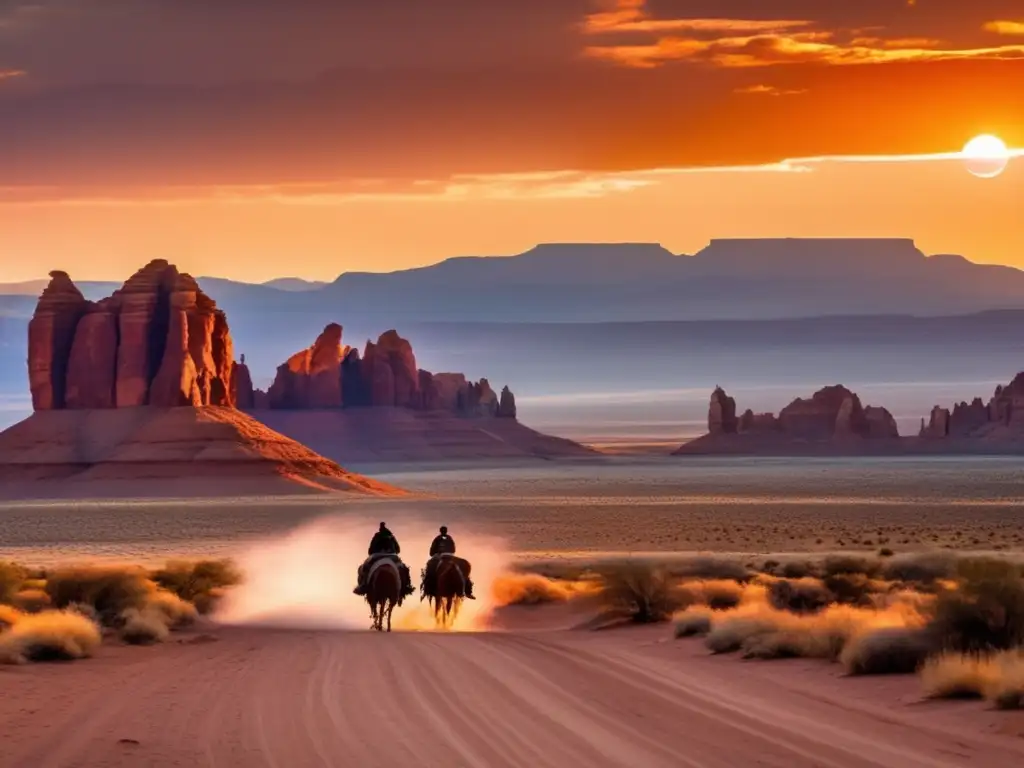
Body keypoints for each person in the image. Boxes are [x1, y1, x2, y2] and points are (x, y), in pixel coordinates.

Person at [354, 522, 413, 597]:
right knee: (404, 568)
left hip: (376, 555)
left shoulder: (376, 536)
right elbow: (398, 550)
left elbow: (370, 550)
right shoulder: (391, 536)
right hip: (392, 556)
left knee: (364, 567)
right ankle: (406, 586)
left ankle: (363, 585)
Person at [423, 525, 475, 600]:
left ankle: (428, 587)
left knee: (430, 567)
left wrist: (436, 553)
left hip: (440, 556)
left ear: (441, 531)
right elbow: (453, 549)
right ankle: (467, 591)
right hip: (450, 555)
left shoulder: (438, 539)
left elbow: (431, 551)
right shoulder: (449, 538)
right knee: (464, 570)